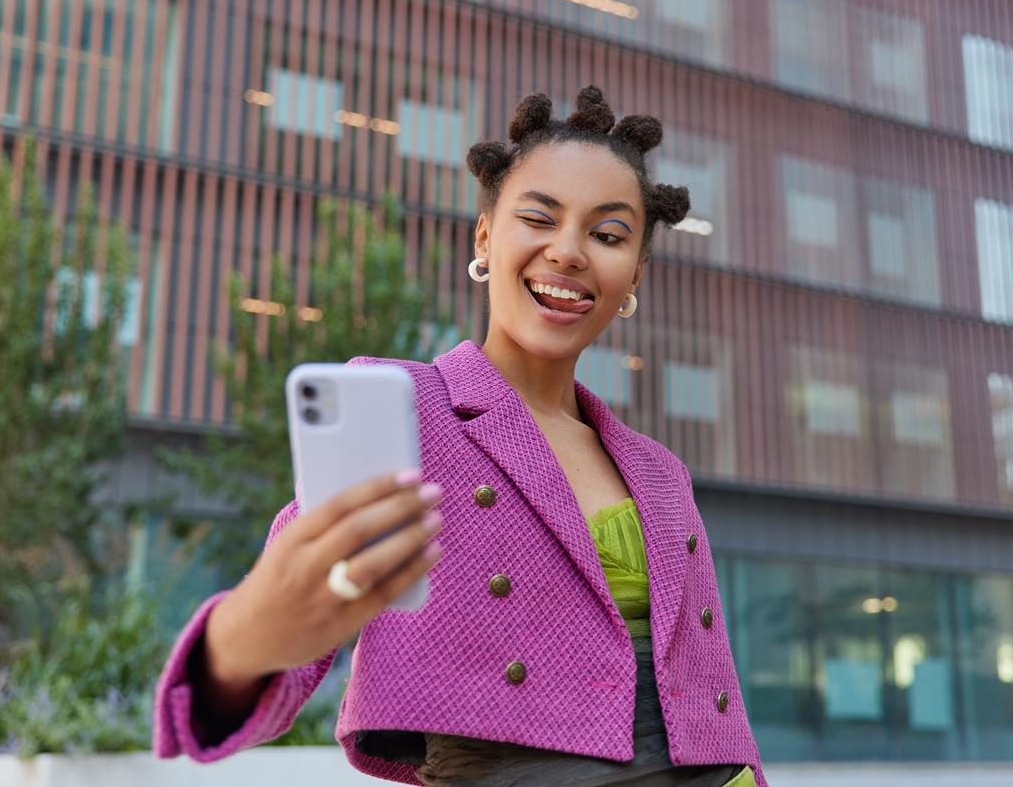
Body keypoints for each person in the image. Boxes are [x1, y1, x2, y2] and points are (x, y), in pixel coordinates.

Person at [154, 87, 765, 786]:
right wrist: (236, 647)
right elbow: (297, 613)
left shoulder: (660, 470)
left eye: (606, 234)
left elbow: (711, 697)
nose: (566, 252)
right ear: (484, 237)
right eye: (538, 217)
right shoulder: (408, 409)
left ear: (633, 275)